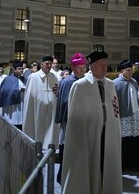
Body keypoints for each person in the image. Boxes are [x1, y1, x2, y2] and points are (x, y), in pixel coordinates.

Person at [61, 51, 122, 193]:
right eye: (102, 65)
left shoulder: (110, 85)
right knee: (90, 166)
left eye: (107, 65)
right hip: (88, 137)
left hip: (108, 135)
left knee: (106, 167)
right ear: (92, 67)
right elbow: (75, 118)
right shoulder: (80, 85)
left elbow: (115, 110)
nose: (105, 69)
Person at [54, 53, 87, 184]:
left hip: (81, 121)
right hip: (69, 121)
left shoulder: (84, 81)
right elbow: (64, 103)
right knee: (66, 148)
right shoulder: (68, 82)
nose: (83, 70)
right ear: (73, 68)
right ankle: (62, 176)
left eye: (84, 67)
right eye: (80, 68)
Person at [22, 56, 60, 150]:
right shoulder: (33, 77)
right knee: (37, 129)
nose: (49, 66)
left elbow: (56, 92)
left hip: (51, 110)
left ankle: (49, 148)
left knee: (50, 131)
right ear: (41, 64)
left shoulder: (54, 76)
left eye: (50, 64)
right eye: (47, 64)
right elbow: (29, 97)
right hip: (37, 109)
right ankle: (37, 147)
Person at [113, 60, 139, 171]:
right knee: (125, 140)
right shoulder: (115, 83)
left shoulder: (134, 81)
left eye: (131, 70)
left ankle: (136, 163)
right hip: (124, 116)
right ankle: (125, 164)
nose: (130, 72)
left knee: (136, 138)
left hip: (135, 114)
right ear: (122, 71)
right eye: (128, 70)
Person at [0, 62, 25, 129]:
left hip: (21, 103)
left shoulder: (24, 79)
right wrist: (18, 90)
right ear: (14, 70)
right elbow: (4, 91)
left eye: (22, 69)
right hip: (11, 105)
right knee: (12, 121)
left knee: (20, 121)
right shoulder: (8, 79)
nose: (21, 70)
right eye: (19, 69)